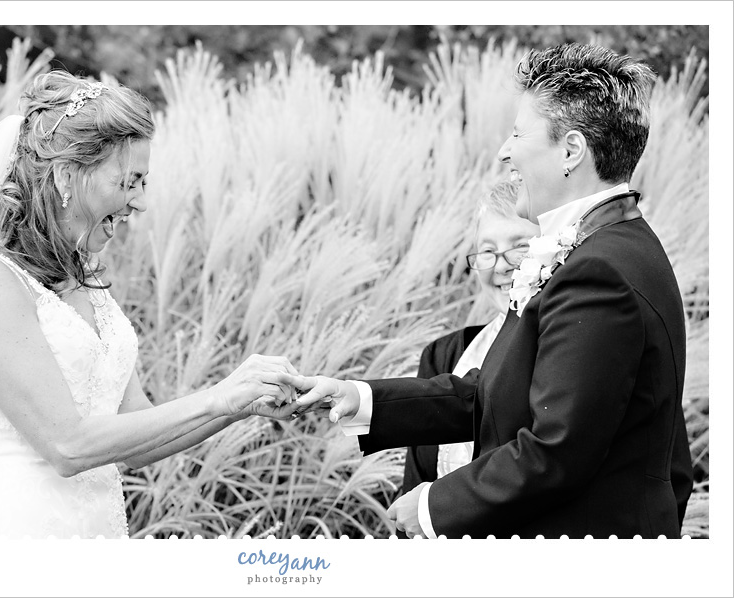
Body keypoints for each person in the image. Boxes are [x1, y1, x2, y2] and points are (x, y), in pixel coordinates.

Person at [289, 43, 693, 539]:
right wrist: (359, 397)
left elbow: (558, 450)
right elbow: (496, 395)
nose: (505, 150)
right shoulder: (609, 247)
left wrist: (433, 505)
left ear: (571, 151)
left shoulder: (600, 271)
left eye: (520, 133)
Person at [0, 71, 299, 539]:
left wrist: (240, 405)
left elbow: (132, 435)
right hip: (17, 541)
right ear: (67, 175)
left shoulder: (86, 274)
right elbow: (67, 444)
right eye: (130, 182)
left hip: (97, 533)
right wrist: (218, 395)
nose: (141, 202)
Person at [401, 182, 539, 499]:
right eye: (488, 251)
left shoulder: (568, 354)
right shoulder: (442, 357)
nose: (501, 266)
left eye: (520, 246)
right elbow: (416, 484)